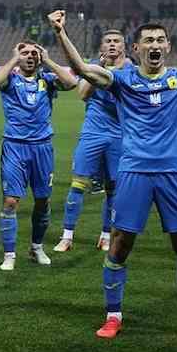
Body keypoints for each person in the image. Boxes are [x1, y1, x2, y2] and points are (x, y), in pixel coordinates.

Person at [51, 9, 177, 342]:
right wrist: (61, 32)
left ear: (168, 47)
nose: (155, 44)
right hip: (133, 172)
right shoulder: (122, 80)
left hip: (174, 173)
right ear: (136, 49)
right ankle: (113, 316)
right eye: (148, 40)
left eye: (161, 40)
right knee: (120, 244)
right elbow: (82, 70)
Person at [0, 39, 77, 271]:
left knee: (42, 200)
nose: (30, 56)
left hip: (42, 148)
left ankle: (36, 247)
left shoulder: (47, 80)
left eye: (34, 53)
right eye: (25, 53)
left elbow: (71, 82)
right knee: (11, 201)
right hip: (15, 147)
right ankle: (9, 254)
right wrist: (14, 58)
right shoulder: (11, 80)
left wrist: (48, 60)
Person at [53, 30, 129, 253]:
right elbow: (83, 94)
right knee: (78, 184)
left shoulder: (132, 71)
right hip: (92, 134)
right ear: (101, 47)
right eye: (108, 41)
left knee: (113, 189)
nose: (112, 44)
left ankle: (105, 236)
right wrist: (101, 68)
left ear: (124, 46)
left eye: (117, 41)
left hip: (119, 135)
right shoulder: (92, 68)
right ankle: (67, 236)